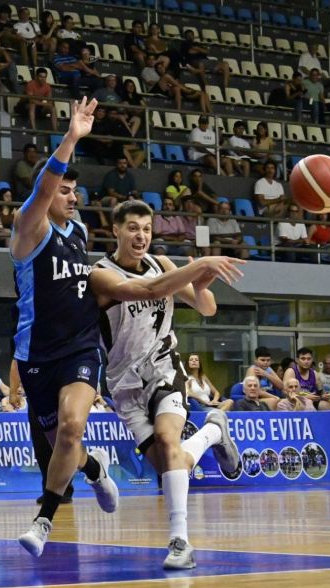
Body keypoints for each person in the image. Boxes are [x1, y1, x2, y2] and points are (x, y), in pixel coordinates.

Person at [90, 199, 244, 568]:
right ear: (115, 230)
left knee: (167, 439)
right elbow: (149, 290)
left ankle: (180, 542)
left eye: (146, 229)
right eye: (132, 228)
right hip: (124, 383)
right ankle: (213, 433)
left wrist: (201, 284)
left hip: (164, 368)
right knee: (170, 464)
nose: (140, 235)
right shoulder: (99, 275)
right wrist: (200, 264)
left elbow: (207, 307)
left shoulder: (164, 264)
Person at [10, 99, 119, 557]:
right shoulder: (29, 228)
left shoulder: (81, 232)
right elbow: (42, 189)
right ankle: (95, 469)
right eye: (65, 190)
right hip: (37, 353)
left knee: (72, 428)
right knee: (64, 446)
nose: (72, 197)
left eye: (76, 191)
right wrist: (71, 137)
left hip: (80, 347)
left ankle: (44, 521)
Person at [22, 67, 58, 131]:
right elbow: (31, 100)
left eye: (44, 77)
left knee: (52, 107)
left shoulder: (47, 87)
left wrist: (48, 104)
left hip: (38, 108)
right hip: (24, 107)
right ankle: (33, 129)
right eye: (41, 76)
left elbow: (49, 101)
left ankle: (55, 131)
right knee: (32, 104)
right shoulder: (30, 84)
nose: (43, 79)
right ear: (36, 77)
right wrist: (44, 104)